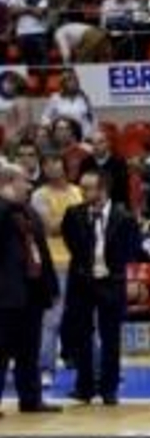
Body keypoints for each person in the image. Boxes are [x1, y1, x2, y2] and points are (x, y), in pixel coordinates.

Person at [60, 169, 136, 405]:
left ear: (102, 189)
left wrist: (113, 270)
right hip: (83, 281)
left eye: (87, 188)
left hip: (111, 283)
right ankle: (84, 387)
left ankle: (109, 389)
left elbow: (131, 248)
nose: (82, 192)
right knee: (82, 336)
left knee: (110, 338)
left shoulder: (123, 216)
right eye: (81, 187)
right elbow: (72, 243)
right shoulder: (74, 214)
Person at [0, 163, 59, 414]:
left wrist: (51, 285)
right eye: (23, 181)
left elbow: (41, 251)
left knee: (29, 351)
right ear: (8, 183)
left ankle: (31, 399)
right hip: (5, 294)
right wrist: (5, 202)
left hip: (32, 291)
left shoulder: (29, 212)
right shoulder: (2, 211)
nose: (29, 185)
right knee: (0, 352)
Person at [29, 151, 79, 388]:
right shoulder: (39, 195)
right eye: (46, 164)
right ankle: (45, 369)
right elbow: (50, 228)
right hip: (55, 262)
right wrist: (75, 219)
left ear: (64, 164)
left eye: (55, 162)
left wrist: (71, 222)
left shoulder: (77, 191)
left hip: (80, 262)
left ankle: (93, 370)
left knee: (86, 318)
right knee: (51, 319)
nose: (51, 167)